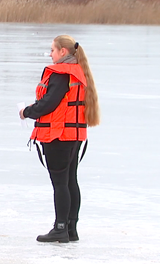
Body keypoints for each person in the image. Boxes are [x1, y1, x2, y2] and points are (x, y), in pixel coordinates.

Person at [20, 35, 100, 243]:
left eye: (53, 50)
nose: (51, 54)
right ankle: (71, 228)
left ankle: (60, 228)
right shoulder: (78, 73)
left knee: (60, 184)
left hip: (58, 136)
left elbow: (48, 104)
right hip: (73, 136)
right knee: (70, 180)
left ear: (63, 52)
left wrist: (26, 111)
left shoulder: (60, 74)